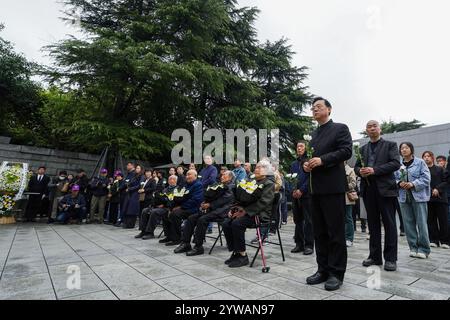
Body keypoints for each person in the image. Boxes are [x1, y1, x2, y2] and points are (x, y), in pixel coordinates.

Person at [303, 97, 352, 291]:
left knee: (335, 233)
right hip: (315, 190)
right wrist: (306, 165)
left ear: (329, 110)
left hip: (332, 188)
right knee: (319, 232)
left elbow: (346, 151)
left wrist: (322, 160)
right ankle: (322, 269)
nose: (314, 110)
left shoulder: (340, 128)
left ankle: (336, 273)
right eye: (313, 108)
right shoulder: (313, 134)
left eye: (318, 107)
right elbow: (307, 159)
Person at [354, 120, 401, 272]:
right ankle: (374, 256)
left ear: (380, 129)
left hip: (386, 190)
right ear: (366, 131)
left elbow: (395, 163)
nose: (372, 128)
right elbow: (356, 167)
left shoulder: (390, 145)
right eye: (369, 126)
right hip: (368, 190)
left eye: (375, 126)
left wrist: (374, 170)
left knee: (389, 224)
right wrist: (359, 171)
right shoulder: (362, 149)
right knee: (372, 225)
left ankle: (390, 259)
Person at [222, 159, 275, 268]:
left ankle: (242, 255)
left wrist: (245, 211)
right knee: (226, 223)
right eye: (256, 167)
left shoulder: (269, 184)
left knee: (237, 224)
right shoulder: (250, 181)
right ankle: (236, 252)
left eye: (260, 167)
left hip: (259, 214)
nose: (257, 169)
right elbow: (243, 198)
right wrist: (235, 208)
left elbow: (263, 203)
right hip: (246, 212)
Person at [174, 170, 235, 256]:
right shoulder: (220, 185)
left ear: (230, 177)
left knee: (202, 219)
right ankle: (185, 243)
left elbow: (223, 200)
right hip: (212, 209)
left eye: (224, 175)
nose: (222, 176)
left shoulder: (231, 186)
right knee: (191, 218)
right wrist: (205, 202)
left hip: (223, 210)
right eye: (222, 175)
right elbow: (212, 196)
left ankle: (198, 247)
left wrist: (209, 205)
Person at [395, 142, 431, 259]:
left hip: (419, 197)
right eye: (402, 148)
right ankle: (413, 248)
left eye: (406, 148)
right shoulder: (398, 164)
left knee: (421, 223)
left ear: (411, 149)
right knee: (408, 224)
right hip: (403, 197)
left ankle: (424, 249)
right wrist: (399, 183)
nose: (404, 150)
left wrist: (412, 184)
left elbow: (426, 178)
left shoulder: (420, 162)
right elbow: (393, 177)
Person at [160, 170, 204, 246]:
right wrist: (172, 207)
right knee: (166, 213)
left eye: (189, 174)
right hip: (183, 207)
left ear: (195, 176)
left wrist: (181, 207)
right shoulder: (185, 185)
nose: (187, 176)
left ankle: (177, 238)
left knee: (175, 214)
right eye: (186, 175)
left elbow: (195, 200)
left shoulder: (198, 185)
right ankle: (169, 236)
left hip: (193, 208)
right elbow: (178, 197)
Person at [136, 175, 179, 240]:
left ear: (176, 181)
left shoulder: (178, 189)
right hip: (159, 206)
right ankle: (143, 231)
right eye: (169, 179)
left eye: (173, 179)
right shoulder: (165, 189)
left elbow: (175, 200)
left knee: (154, 212)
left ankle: (150, 232)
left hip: (168, 208)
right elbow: (159, 198)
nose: (171, 180)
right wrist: (156, 203)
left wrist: (164, 204)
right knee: (145, 210)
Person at [290, 141, 314, 255]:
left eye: (301, 146)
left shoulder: (309, 161)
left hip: (307, 195)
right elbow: (290, 178)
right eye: (297, 146)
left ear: (306, 148)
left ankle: (309, 245)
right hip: (296, 196)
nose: (299, 148)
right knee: (297, 220)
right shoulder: (294, 164)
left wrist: (302, 190)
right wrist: (293, 190)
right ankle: (299, 244)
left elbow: (310, 178)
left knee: (308, 220)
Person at [422, 151, 449, 248]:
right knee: (430, 220)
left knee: (443, 220)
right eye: (424, 156)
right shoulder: (422, 170)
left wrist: (438, 189)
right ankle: (434, 240)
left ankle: (445, 241)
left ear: (432, 158)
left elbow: (446, 181)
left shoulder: (440, 169)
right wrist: (430, 190)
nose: (426, 158)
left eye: (428, 156)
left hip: (441, 198)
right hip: (428, 198)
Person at [199, 155, 218, 234]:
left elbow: (212, 179)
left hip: (209, 190)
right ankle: (202, 225)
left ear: (212, 160)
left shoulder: (213, 169)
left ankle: (209, 227)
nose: (206, 160)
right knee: (202, 207)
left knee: (208, 207)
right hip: (202, 190)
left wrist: (202, 184)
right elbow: (199, 178)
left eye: (208, 158)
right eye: (205, 158)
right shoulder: (202, 170)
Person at [120, 163, 142, 228]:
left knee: (132, 209)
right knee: (127, 208)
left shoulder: (141, 176)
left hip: (135, 193)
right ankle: (126, 223)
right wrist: (128, 184)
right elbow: (130, 183)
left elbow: (139, 185)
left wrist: (130, 188)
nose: (136, 169)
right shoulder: (135, 176)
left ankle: (130, 224)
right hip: (130, 193)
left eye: (138, 168)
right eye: (136, 168)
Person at [344, 162, 357, 247]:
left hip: (346, 197)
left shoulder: (350, 170)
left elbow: (353, 183)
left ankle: (349, 238)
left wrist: (343, 186)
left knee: (348, 217)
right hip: (337, 197)